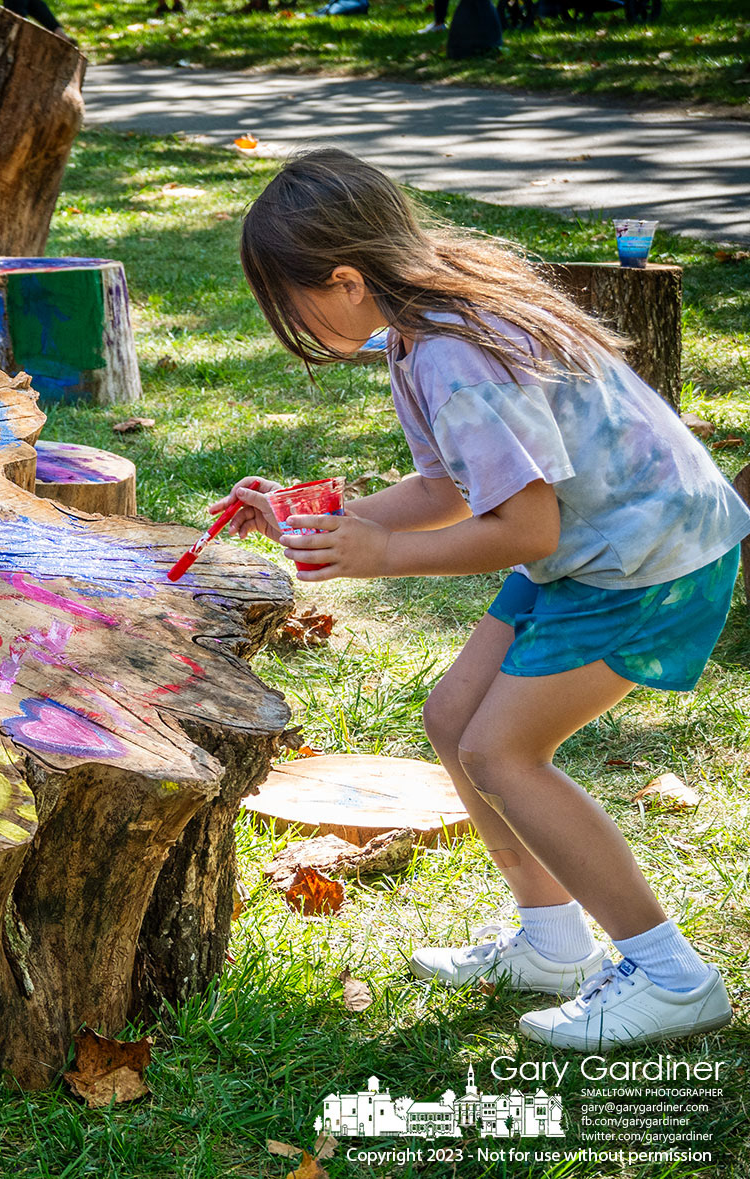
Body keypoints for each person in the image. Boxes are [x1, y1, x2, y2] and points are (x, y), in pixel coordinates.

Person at [218, 147, 745, 1051]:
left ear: (344, 280)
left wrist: (377, 554)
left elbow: (527, 527)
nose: (287, 324)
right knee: (454, 717)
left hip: (649, 558)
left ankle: (670, 975)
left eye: (287, 299)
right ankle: (550, 941)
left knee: (504, 752)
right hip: (601, 546)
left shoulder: (452, 351)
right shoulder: (421, 329)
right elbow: (452, 490)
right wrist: (326, 520)